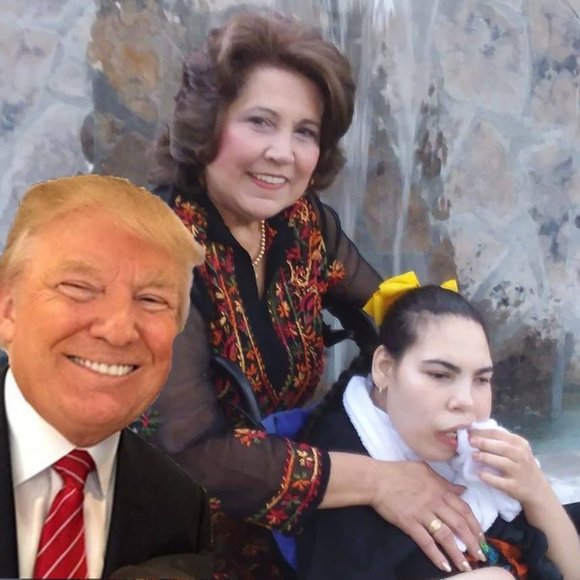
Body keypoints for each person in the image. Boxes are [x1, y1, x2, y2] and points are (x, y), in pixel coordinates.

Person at [145, 9, 488, 579]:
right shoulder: (154, 252)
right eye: (260, 122)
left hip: (307, 521)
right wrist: (379, 480)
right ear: (208, 124)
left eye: (304, 131)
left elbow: (400, 323)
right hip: (189, 540)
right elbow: (191, 453)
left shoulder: (302, 225)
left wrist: (460, 407)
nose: (283, 152)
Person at [296, 273, 580, 579]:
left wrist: (535, 489)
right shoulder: (343, 465)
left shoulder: (481, 455)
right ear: (384, 368)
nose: (465, 401)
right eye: (439, 375)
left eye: (481, 379)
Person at [0, 175, 212, 579]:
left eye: (152, 300)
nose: (118, 330)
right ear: (8, 309)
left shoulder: (182, 508)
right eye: (79, 287)